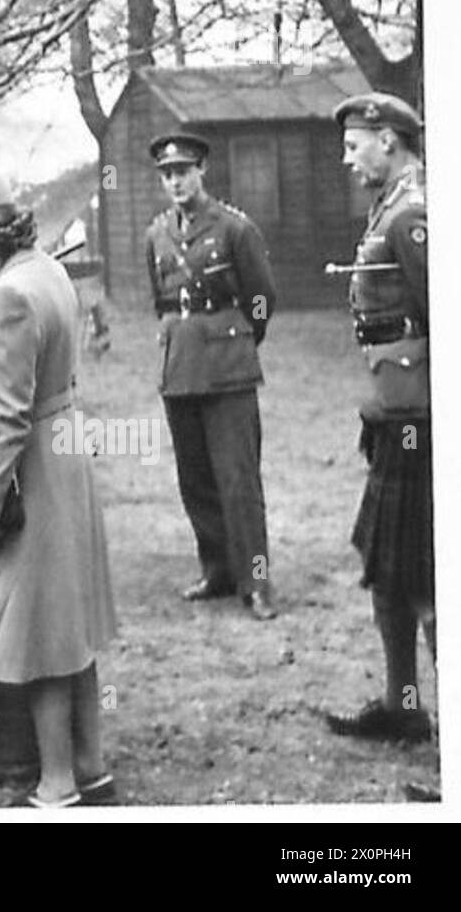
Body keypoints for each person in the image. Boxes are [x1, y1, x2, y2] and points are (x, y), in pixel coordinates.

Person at [0, 166, 117, 807]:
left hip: (30, 472)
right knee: (71, 625)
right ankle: (91, 765)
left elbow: (10, 416)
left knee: (39, 635)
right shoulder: (47, 269)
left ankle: (58, 782)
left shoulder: (10, 296)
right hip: (63, 457)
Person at [323, 94, 435, 777]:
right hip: (395, 419)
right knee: (389, 576)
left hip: (423, 425)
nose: (346, 157)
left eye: (355, 143)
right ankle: (403, 703)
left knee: (427, 584)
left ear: (389, 140)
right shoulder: (391, 207)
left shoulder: (414, 215)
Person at [145, 133, 279, 621]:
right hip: (179, 367)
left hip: (228, 371)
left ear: (202, 170)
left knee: (238, 481)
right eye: (168, 174)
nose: (176, 181)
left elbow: (262, 298)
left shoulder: (235, 228)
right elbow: (160, 300)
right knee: (195, 479)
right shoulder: (156, 234)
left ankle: (257, 581)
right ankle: (218, 569)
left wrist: (240, 340)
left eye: (184, 170)